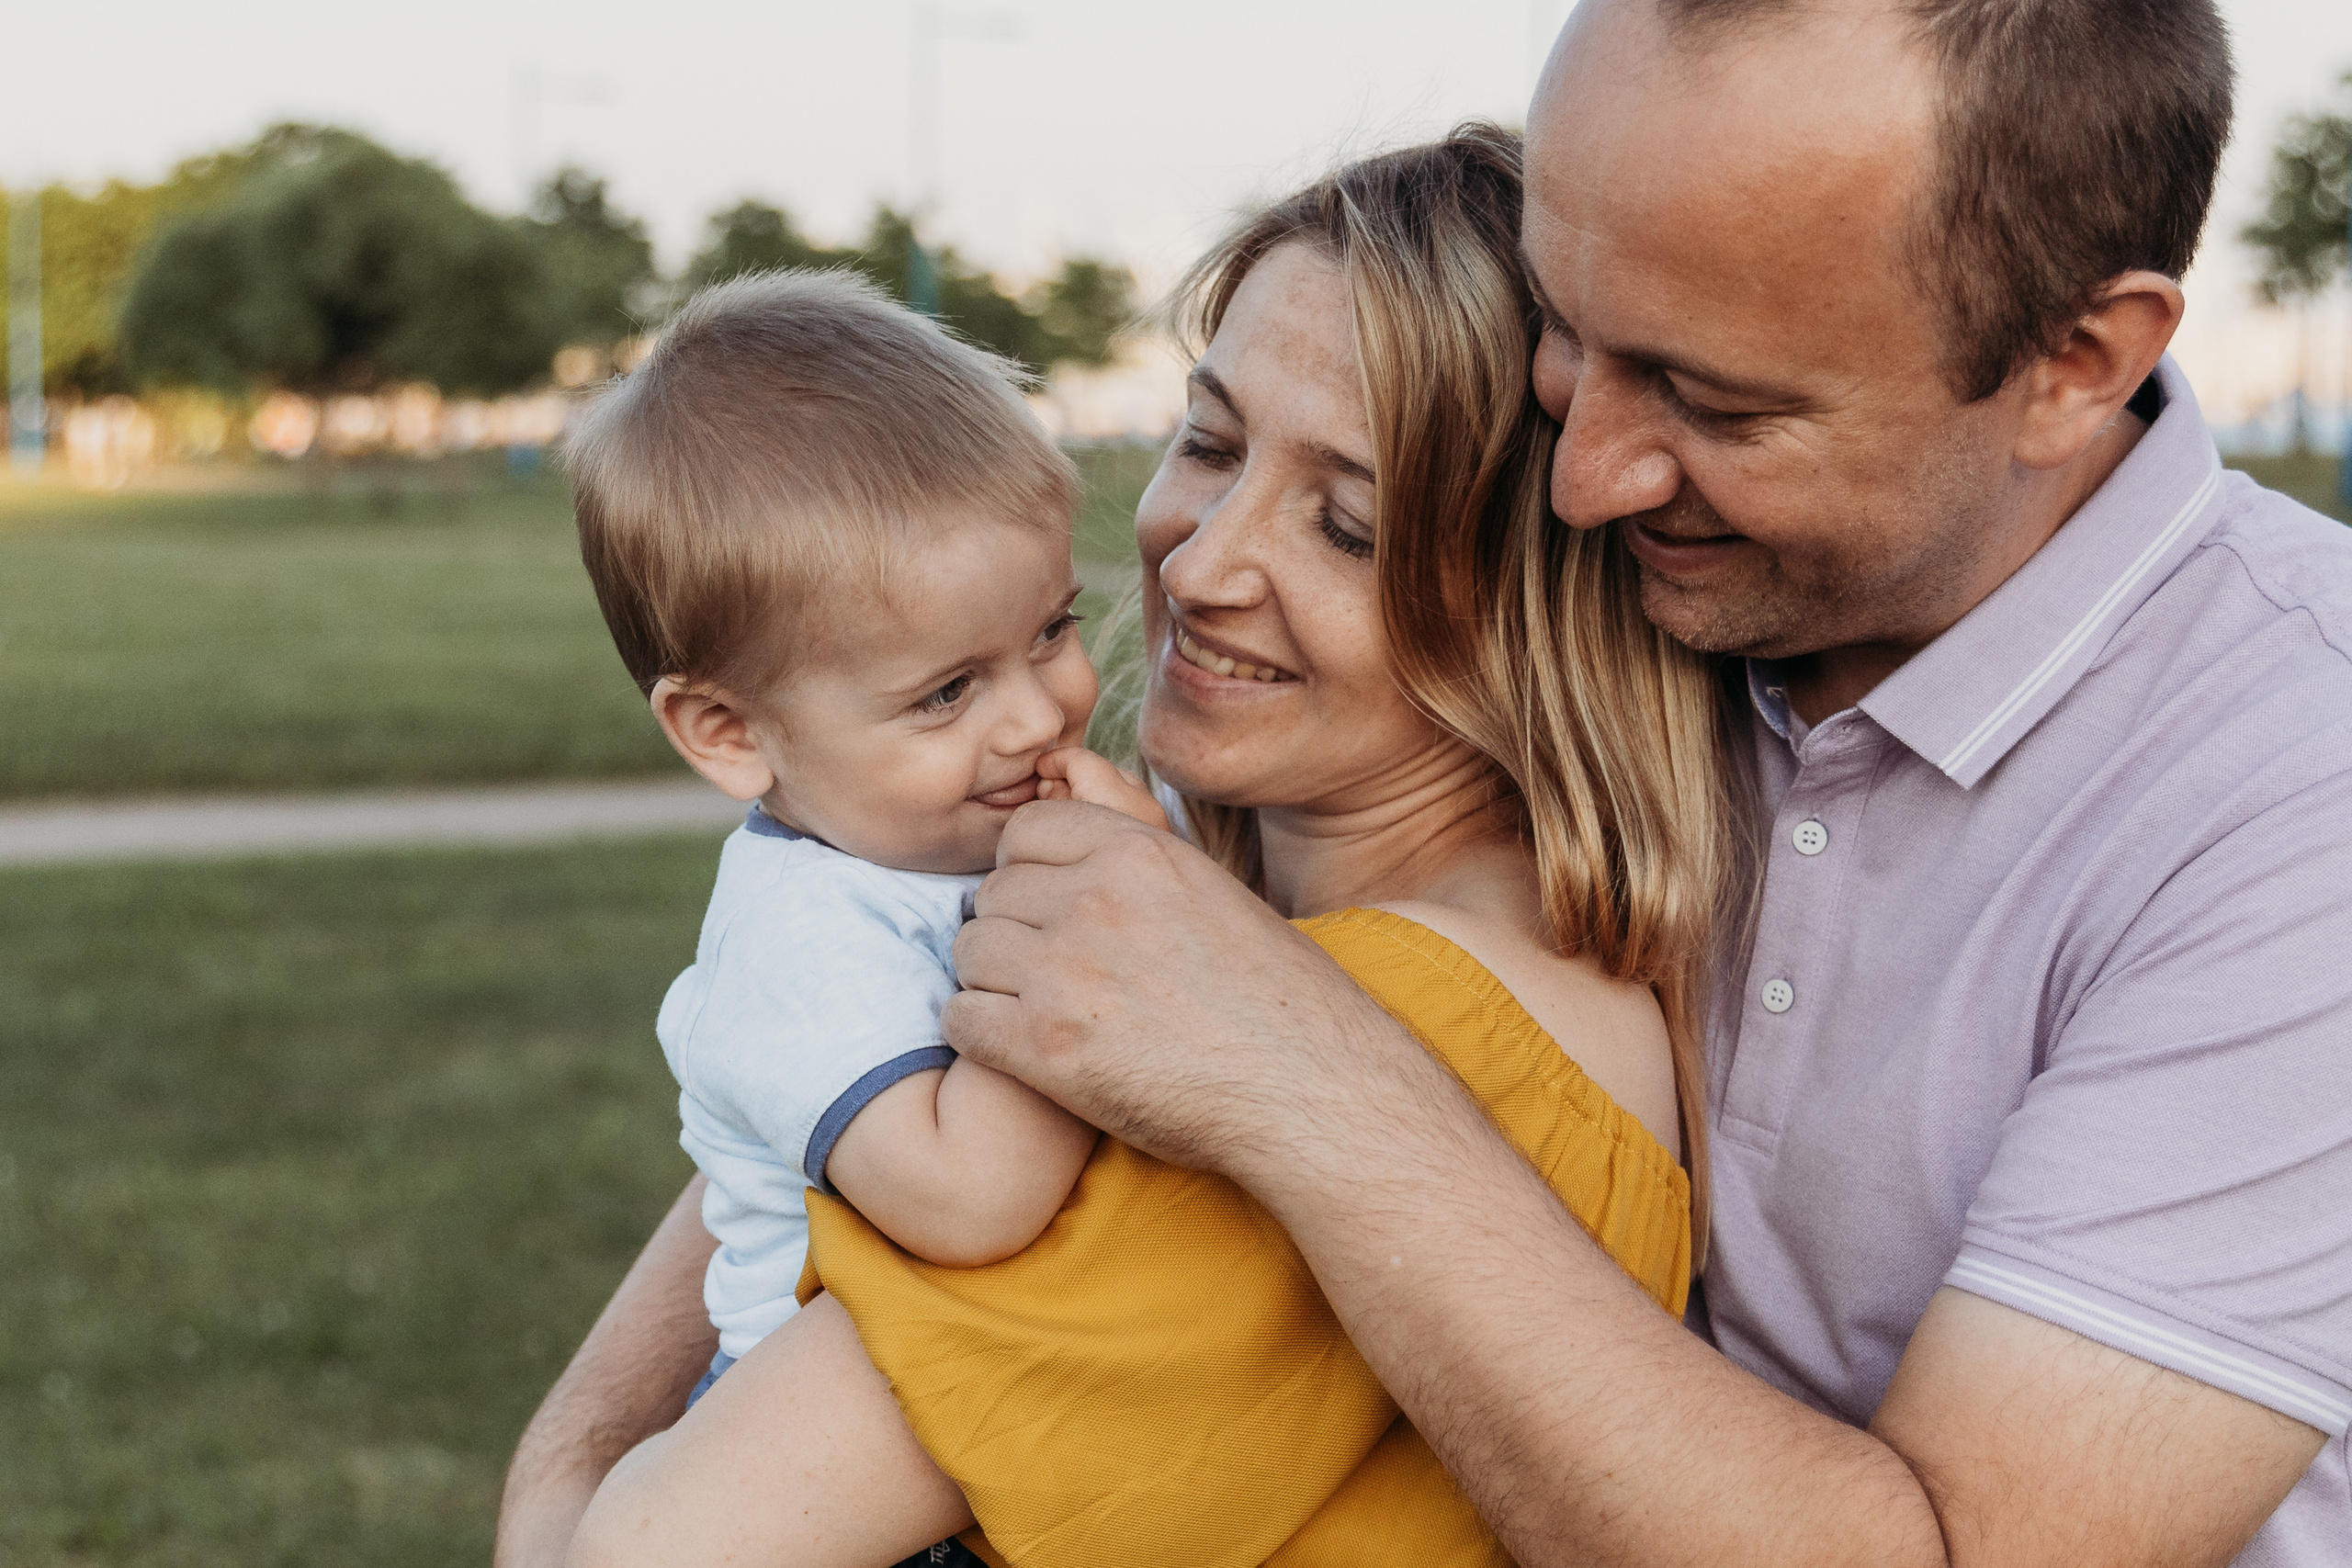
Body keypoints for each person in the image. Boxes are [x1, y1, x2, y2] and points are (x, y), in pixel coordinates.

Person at [504, 0, 2352, 1562]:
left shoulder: (2283, 777)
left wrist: (560, 1474)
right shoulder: (1709, 624)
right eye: (1565, 340)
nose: (1590, 471)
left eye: (1705, 399)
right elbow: (811, 1072)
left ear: (2071, 364)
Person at [561, 126, 1746, 1568]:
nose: (1195, 564)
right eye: (1210, 441)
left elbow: (665, 1545)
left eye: (1350, 526)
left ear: (1530, 606)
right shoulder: (1320, 927)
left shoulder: (1352, 1030)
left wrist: (556, 1485)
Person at [560, 267, 1173, 1554]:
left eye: (1052, 629)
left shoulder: (965, 835)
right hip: (823, 1494)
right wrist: (1114, 921)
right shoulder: (802, 943)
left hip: (962, 1420)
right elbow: (968, 1201)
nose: (1038, 711)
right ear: (728, 732)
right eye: (946, 692)